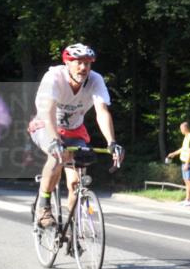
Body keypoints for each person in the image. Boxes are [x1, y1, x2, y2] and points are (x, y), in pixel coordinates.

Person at [30, 43, 124, 227]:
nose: (83, 68)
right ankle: (43, 206)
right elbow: (48, 111)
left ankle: (72, 229)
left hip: (74, 130)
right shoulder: (54, 77)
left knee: (75, 183)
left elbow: (102, 111)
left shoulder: (95, 80)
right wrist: (55, 140)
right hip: (46, 124)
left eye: (88, 63)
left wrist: (112, 142)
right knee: (56, 157)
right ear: (67, 63)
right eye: (78, 62)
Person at [165, 121, 190, 206]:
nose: (181, 130)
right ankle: (187, 199)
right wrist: (173, 153)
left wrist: (187, 164)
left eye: (181, 128)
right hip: (184, 162)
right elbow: (183, 148)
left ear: (185, 128)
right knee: (186, 181)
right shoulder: (186, 137)